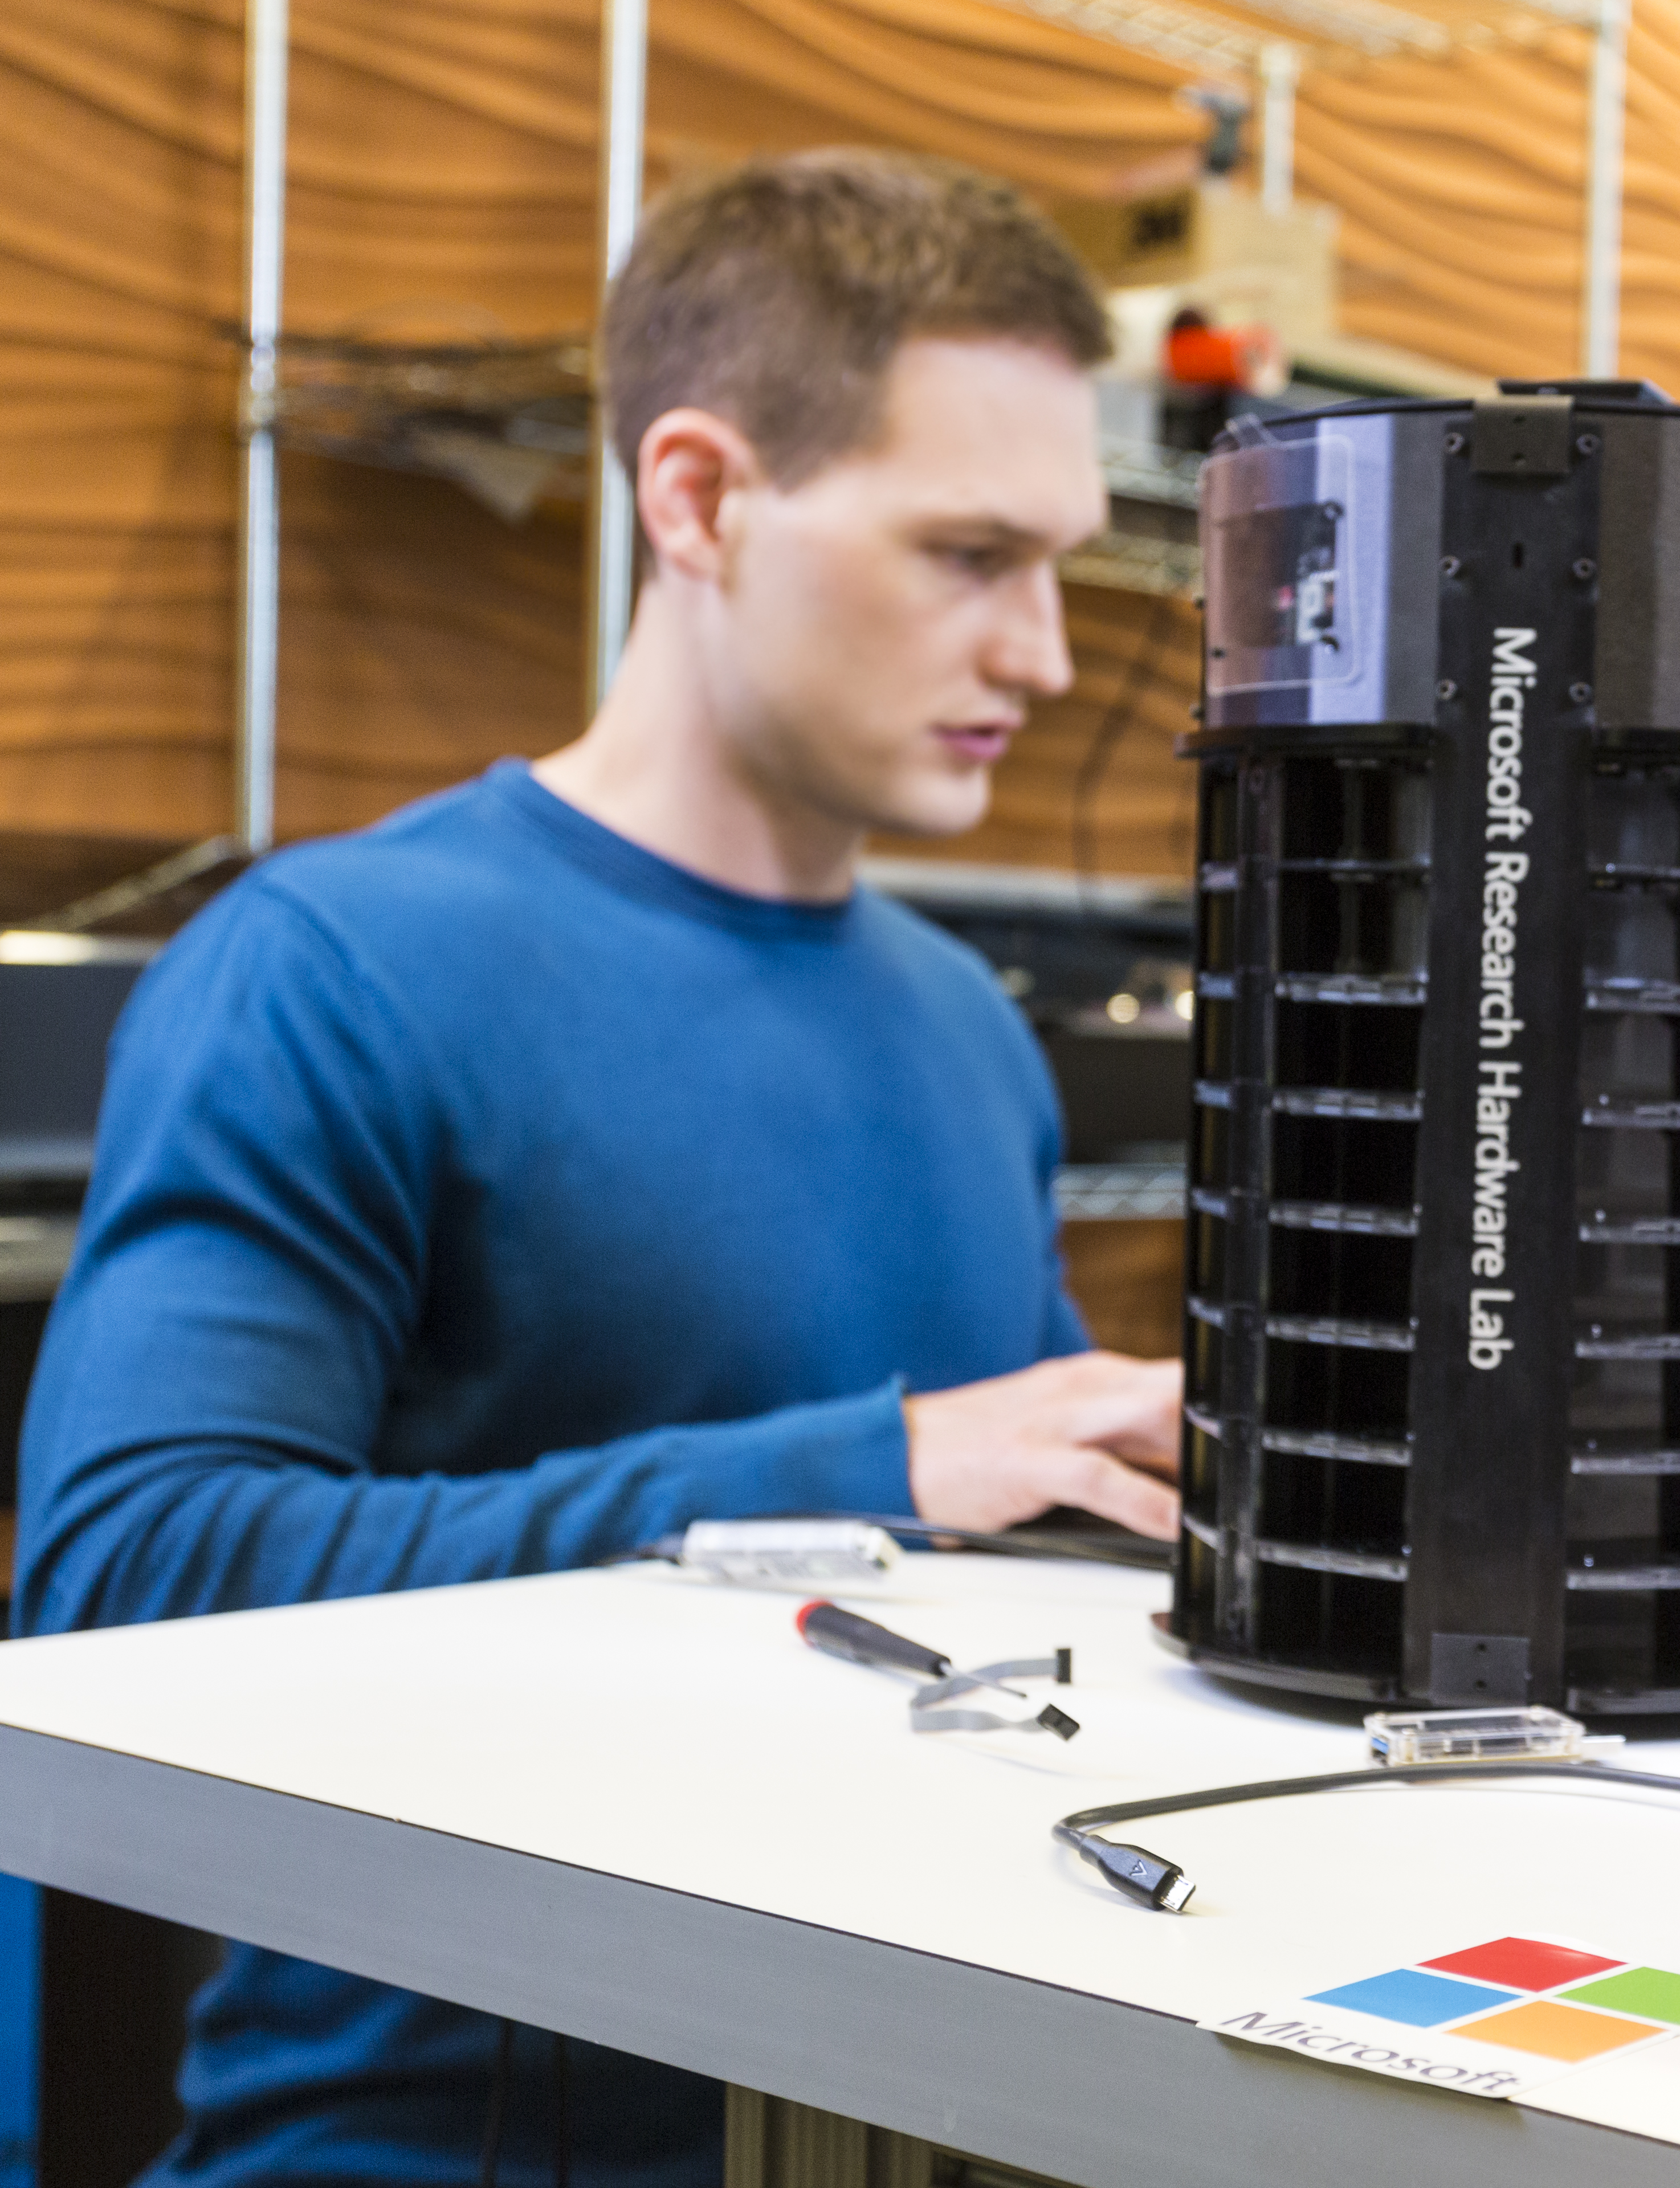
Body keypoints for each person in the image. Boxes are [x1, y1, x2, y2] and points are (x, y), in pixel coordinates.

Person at [14, 149, 1184, 2188]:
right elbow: (127, 1581)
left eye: (1060, 564)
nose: (1046, 657)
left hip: (906, 2110)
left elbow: (1005, 1586)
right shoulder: (335, 971)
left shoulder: (960, 1028)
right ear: (702, 498)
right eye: (968, 556)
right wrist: (868, 1473)